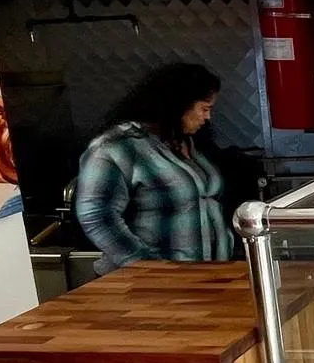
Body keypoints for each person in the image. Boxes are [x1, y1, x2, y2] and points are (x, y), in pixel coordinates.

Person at [74, 63, 235, 271]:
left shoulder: (188, 142)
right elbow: (96, 215)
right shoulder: (116, 147)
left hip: (206, 277)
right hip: (149, 286)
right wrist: (145, 266)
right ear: (179, 104)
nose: (208, 117)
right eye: (204, 109)